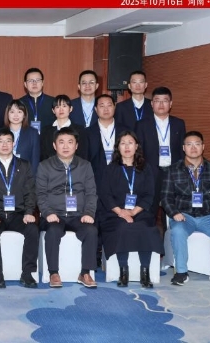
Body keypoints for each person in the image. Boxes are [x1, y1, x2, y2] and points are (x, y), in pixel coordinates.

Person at [162, 131, 210, 287]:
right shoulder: (172, 170)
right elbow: (166, 197)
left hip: (207, 216)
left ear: (203, 147)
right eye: (189, 144)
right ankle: (181, 272)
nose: (193, 148)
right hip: (183, 216)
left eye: (197, 144)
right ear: (183, 148)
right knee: (178, 231)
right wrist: (174, 213)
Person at [98, 131, 162, 288]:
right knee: (123, 227)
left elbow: (149, 195)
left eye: (130, 143)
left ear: (136, 146)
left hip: (140, 212)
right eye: (123, 143)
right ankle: (123, 271)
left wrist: (132, 212)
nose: (127, 147)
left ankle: (145, 272)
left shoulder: (146, 168)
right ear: (118, 147)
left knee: (144, 228)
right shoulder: (110, 169)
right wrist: (121, 212)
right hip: (115, 213)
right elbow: (105, 195)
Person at [36, 127, 98, 288]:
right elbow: (40, 194)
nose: (65, 146)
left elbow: (91, 193)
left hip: (78, 215)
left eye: (70, 142)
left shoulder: (85, 166)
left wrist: (89, 213)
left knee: (91, 231)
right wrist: (47, 212)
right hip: (54, 214)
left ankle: (85, 272)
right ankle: (53, 272)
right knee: (53, 231)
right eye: (61, 142)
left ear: (76, 146)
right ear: (54, 145)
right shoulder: (45, 166)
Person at [0, 128, 39, 289]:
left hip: (18, 213)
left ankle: (27, 273)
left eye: (8, 141)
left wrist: (28, 212)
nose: (4, 145)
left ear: (14, 143)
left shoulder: (24, 165)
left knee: (33, 229)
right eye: (0, 141)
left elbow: (30, 191)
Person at [136, 86, 186, 231]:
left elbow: (182, 150)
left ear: (171, 104)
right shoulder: (142, 125)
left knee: (172, 210)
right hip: (150, 173)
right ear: (152, 104)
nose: (161, 104)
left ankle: (169, 242)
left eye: (165, 100)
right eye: (157, 100)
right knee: (149, 210)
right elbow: (139, 152)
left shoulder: (179, 124)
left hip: (172, 173)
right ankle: (149, 239)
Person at [0, 100, 40, 175]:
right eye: (12, 112)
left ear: (24, 115)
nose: (16, 115)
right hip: (2, 175)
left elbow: (35, 160)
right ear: (7, 114)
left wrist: (31, 179)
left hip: (25, 175)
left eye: (19, 112)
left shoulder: (33, 133)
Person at [87, 94, 130, 178]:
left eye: (109, 105)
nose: (106, 109)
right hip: (95, 178)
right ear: (96, 109)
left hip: (122, 176)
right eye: (102, 106)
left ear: (114, 107)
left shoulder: (126, 131)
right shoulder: (88, 132)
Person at [39, 95, 89, 162]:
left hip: (74, 166)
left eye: (64, 106)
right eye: (57, 107)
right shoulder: (45, 130)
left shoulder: (79, 130)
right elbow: (43, 155)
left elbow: (83, 154)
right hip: (50, 166)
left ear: (70, 109)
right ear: (53, 110)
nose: (61, 109)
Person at [19, 67, 55, 133]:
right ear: (25, 84)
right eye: (31, 81)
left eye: (37, 80)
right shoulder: (19, 103)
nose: (34, 83)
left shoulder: (53, 102)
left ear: (42, 83)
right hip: (27, 138)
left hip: (48, 138)